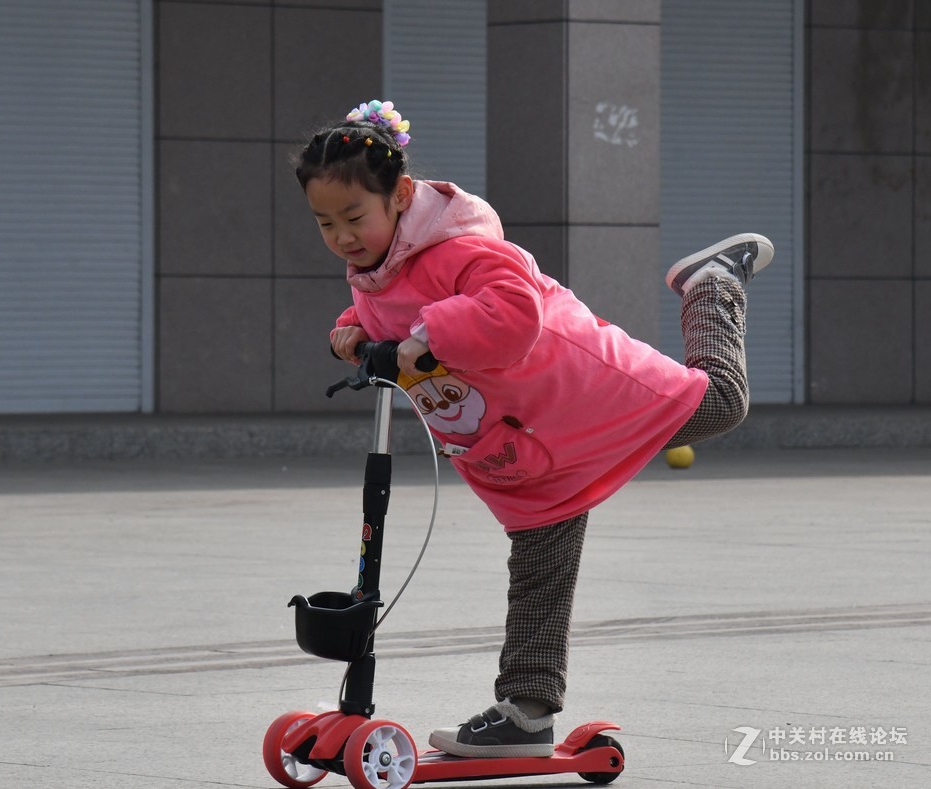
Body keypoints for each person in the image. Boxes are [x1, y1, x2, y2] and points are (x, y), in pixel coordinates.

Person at [294, 99, 773, 758]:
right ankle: (528, 709)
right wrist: (350, 333)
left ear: (402, 195)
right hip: (522, 442)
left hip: (578, 393)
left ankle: (711, 287)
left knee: (720, 403)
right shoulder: (378, 265)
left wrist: (430, 335)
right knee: (539, 562)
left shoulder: (461, 246)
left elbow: (512, 309)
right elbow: (381, 312)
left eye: (354, 217)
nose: (343, 236)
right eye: (325, 224)